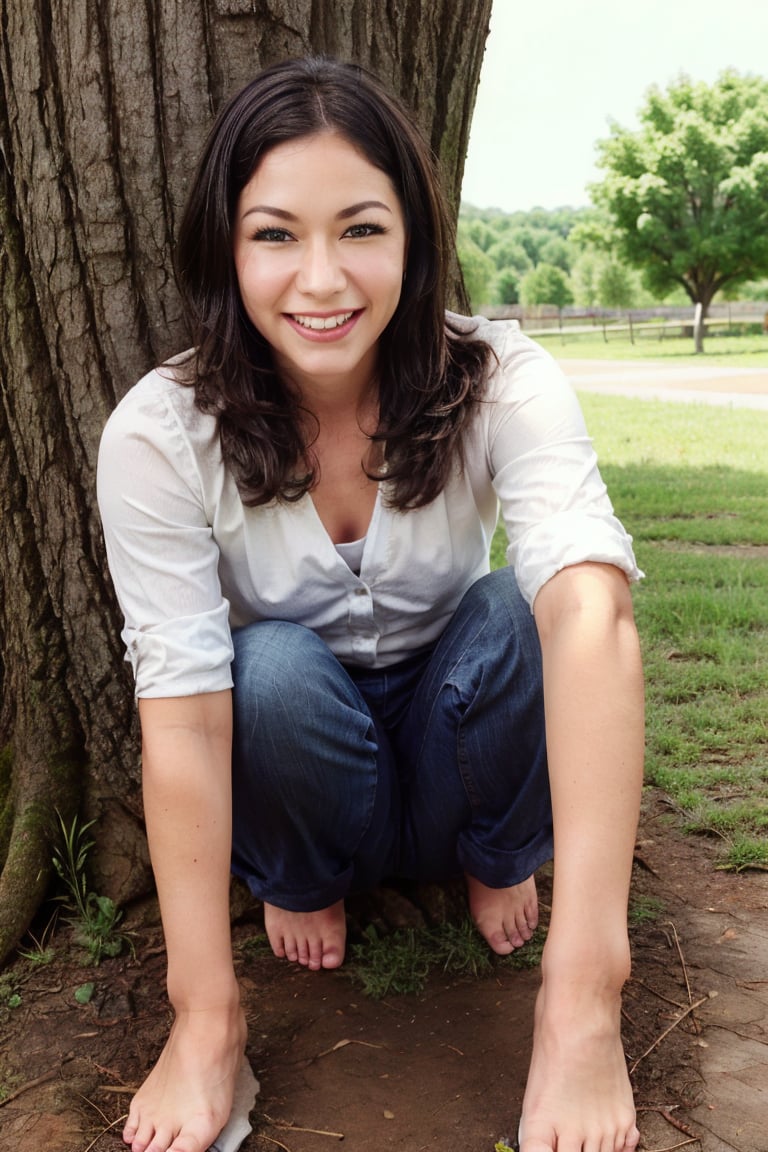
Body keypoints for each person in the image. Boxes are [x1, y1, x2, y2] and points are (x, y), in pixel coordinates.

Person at [97, 55, 645, 1152]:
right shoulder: (159, 434)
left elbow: (593, 615)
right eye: (274, 235)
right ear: (225, 247)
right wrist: (203, 1016)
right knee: (269, 671)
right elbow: (188, 714)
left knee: (513, 613)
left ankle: (498, 858)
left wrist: (589, 987)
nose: (321, 279)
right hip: (302, 757)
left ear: (414, 239)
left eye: (360, 229)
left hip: (456, 739)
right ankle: (300, 883)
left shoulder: (500, 376)